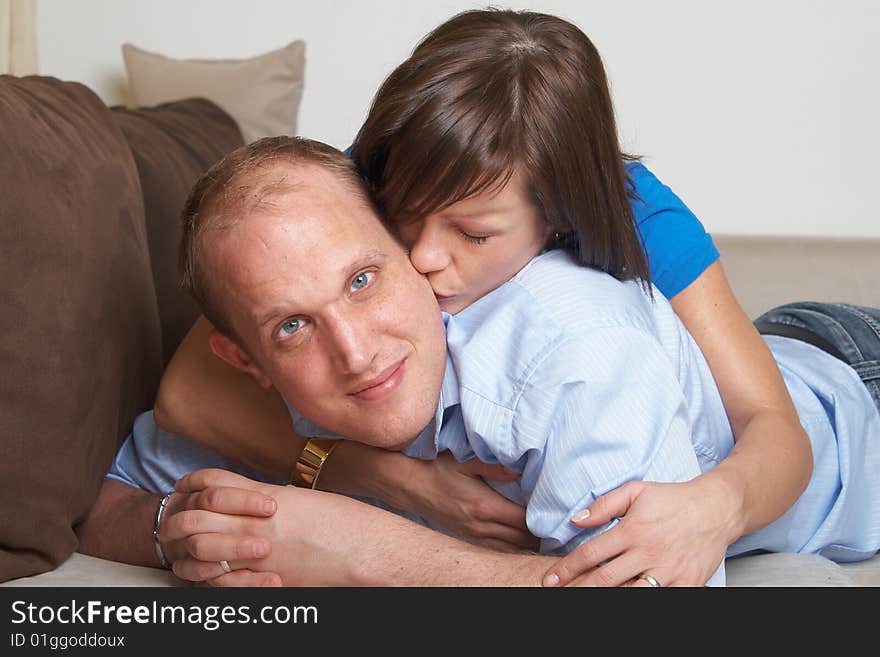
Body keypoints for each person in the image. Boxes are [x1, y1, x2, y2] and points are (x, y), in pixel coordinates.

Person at [151, 8, 816, 586]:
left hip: (825, 364)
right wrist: (386, 476)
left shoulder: (635, 232)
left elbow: (778, 432)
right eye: (403, 215)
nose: (421, 255)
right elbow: (186, 395)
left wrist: (715, 504)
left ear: (556, 218)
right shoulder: (369, 177)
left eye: (472, 233)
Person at [81, 136, 880, 589]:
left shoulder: (571, 353)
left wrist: (357, 548)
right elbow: (98, 494)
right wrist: (177, 532)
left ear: (413, 250)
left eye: (363, 279)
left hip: (850, 386)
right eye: (291, 325)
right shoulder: (290, 373)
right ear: (248, 357)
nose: (355, 354)